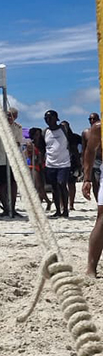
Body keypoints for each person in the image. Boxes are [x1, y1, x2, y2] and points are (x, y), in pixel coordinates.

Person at [0, 107, 22, 216]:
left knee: (13, 183)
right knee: (2, 184)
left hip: (12, 160)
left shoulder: (17, 128)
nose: (9, 118)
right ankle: (5, 208)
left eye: (11, 116)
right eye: (7, 115)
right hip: (0, 159)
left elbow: (18, 143)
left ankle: (12, 208)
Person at [82, 117, 103, 276]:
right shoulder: (98, 128)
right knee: (102, 217)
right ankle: (91, 267)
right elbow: (90, 150)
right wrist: (87, 178)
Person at [43, 110, 71, 219]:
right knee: (54, 187)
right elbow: (42, 147)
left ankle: (66, 210)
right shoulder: (45, 132)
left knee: (62, 184)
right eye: (46, 118)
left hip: (64, 163)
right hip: (50, 164)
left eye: (50, 118)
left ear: (56, 118)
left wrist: (77, 162)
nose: (48, 120)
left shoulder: (64, 129)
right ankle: (58, 210)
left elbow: (72, 143)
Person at [88, 113, 102, 202]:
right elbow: (86, 149)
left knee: (100, 182)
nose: (92, 121)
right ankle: (98, 202)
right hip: (93, 160)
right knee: (95, 183)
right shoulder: (87, 133)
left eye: (94, 119)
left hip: (100, 160)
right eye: (90, 119)